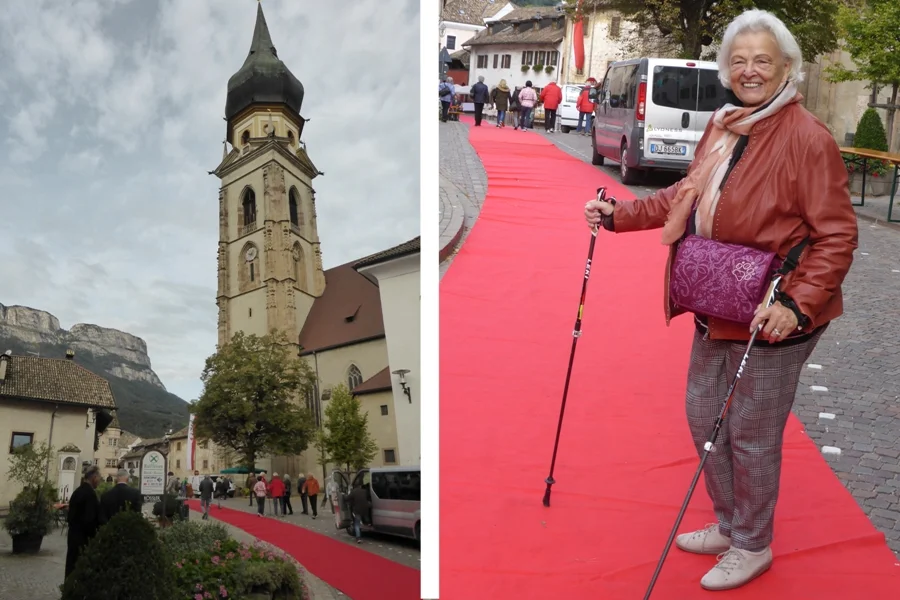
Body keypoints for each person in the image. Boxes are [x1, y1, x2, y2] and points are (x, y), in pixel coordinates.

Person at [584, 9, 858, 592]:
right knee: (702, 415)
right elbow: (686, 196)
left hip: (773, 310)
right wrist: (619, 217)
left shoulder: (808, 138)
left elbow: (837, 235)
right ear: (727, 72)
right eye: (740, 61)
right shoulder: (726, 125)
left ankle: (752, 543)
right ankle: (732, 522)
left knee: (750, 432)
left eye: (763, 60)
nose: (751, 70)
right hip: (718, 297)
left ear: (787, 66)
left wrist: (797, 304)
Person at [65, 466, 102, 579]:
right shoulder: (90, 494)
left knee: (72, 566)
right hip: (83, 539)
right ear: (94, 478)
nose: (99, 482)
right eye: (99, 479)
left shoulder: (77, 491)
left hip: (73, 536)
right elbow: (89, 520)